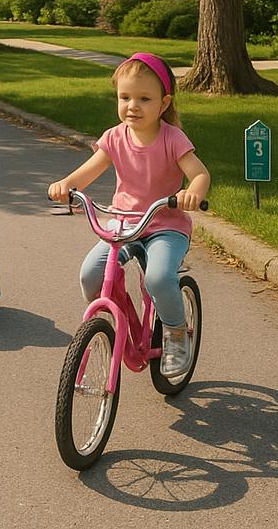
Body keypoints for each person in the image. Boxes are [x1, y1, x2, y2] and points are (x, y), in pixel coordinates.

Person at [47, 51, 210, 377]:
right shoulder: (114, 137)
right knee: (91, 276)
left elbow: (200, 173)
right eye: (124, 97)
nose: (132, 106)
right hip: (124, 223)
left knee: (159, 277)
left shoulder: (171, 138)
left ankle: (176, 333)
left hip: (165, 224)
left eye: (143, 99)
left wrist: (192, 192)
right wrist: (66, 184)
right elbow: (87, 172)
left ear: (163, 104)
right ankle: (123, 318)